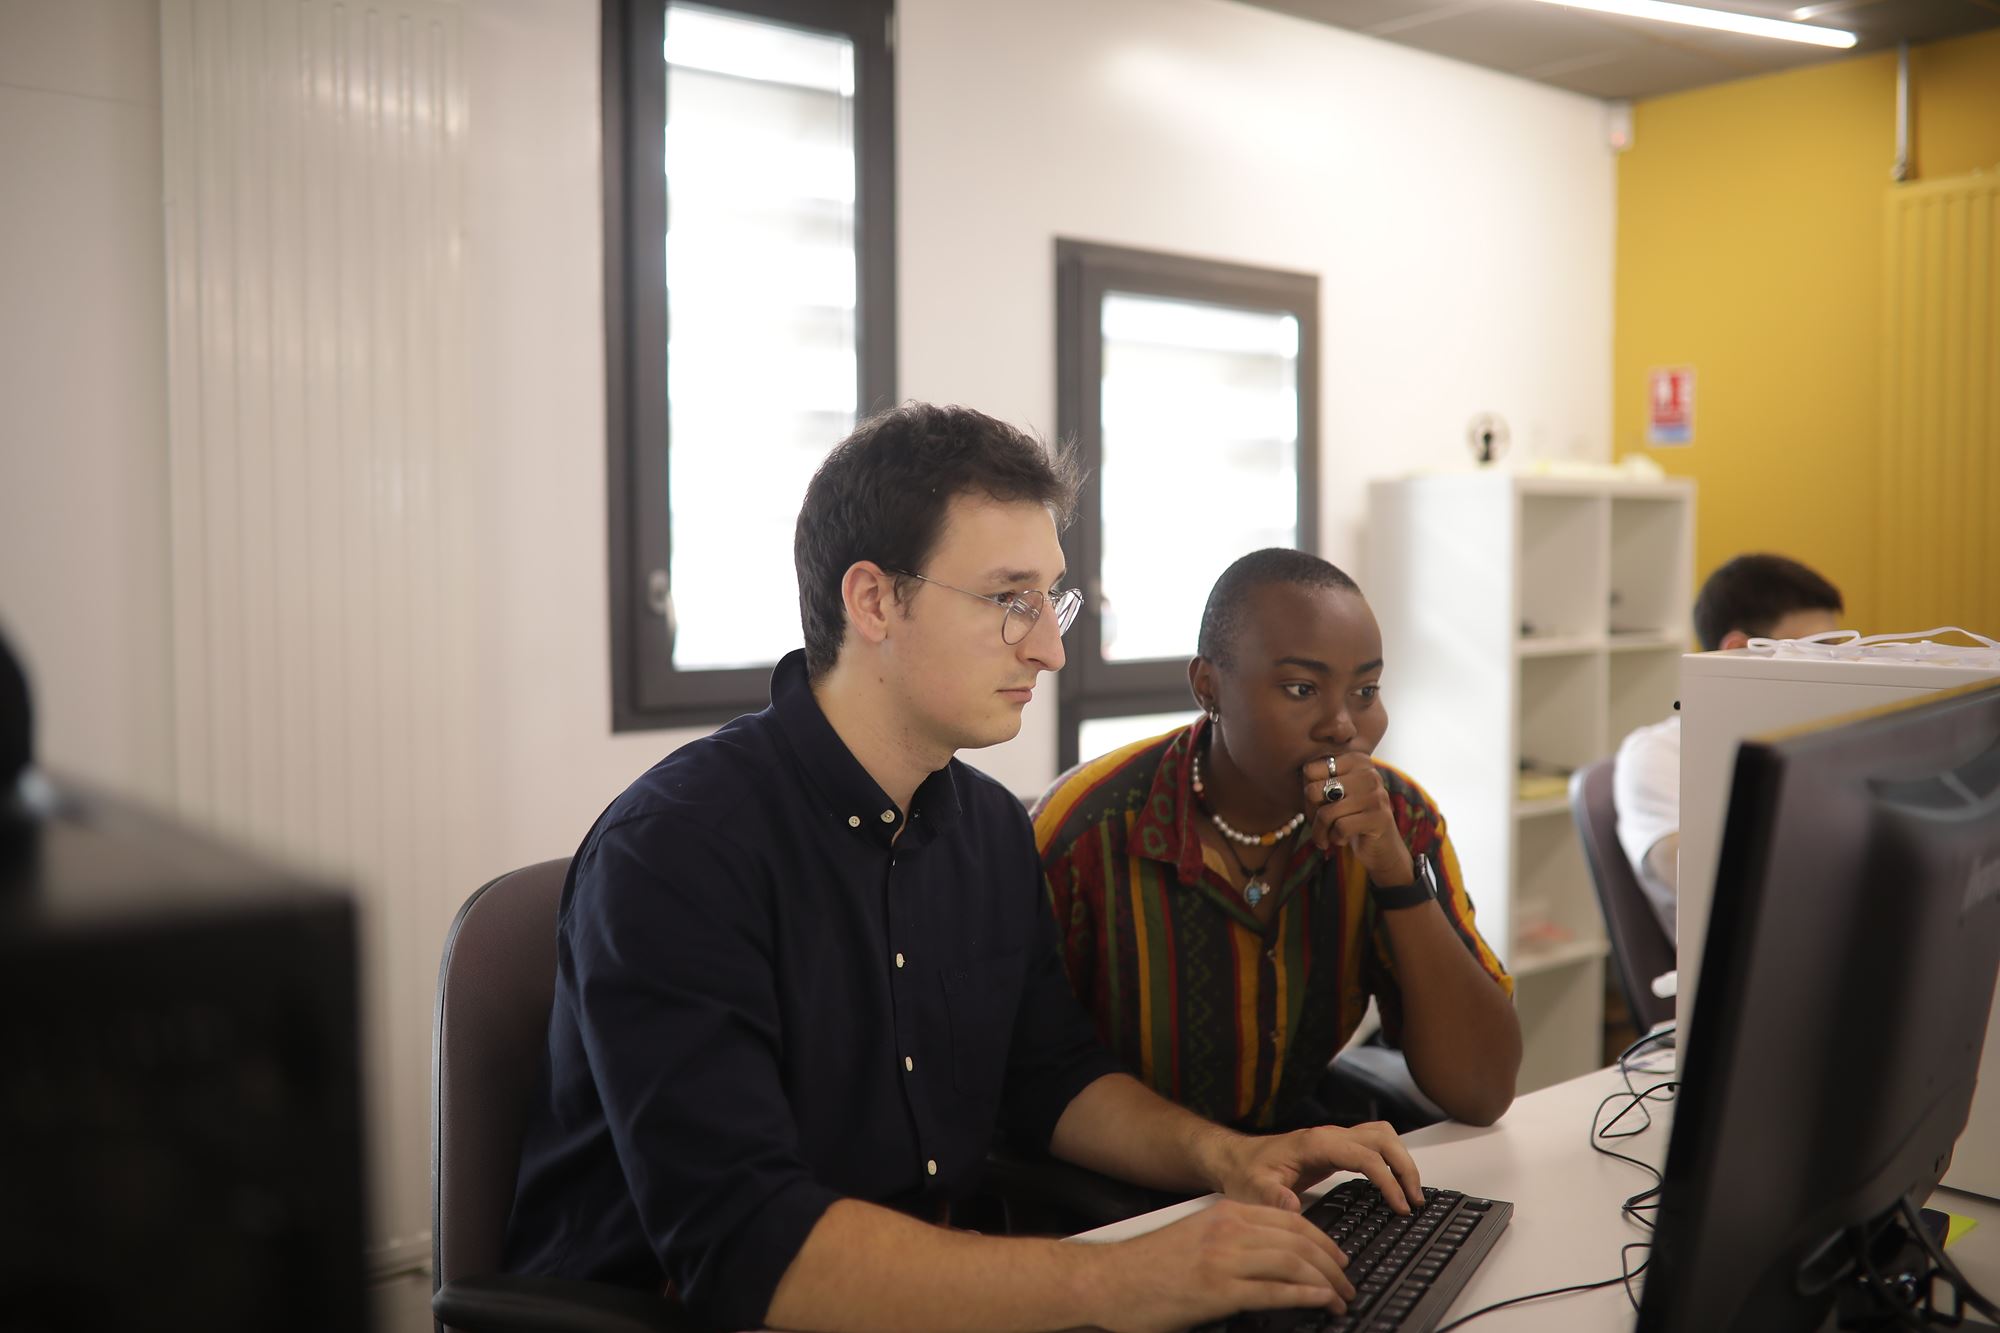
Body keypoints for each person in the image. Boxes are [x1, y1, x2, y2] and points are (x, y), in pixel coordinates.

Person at [502, 405, 1426, 1333]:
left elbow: (1051, 1076)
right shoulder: (677, 854)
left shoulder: (984, 827)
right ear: (873, 602)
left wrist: (1226, 1157)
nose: (1050, 647)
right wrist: (1115, 1279)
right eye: (1007, 600)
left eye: (1050, 599)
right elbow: (752, 1251)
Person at [1034, 549, 1521, 1133]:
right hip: (1118, 1197)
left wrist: (1396, 876)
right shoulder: (1088, 829)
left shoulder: (1398, 819)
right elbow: (1023, 1080)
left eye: (1366, 691)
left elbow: (1484, 1091)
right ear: (1208, 687)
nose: (1342, 725)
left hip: (1298, 1175)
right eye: (1300, 689)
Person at [1613, 552, 1843, 937]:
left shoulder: (1811, 742)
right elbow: (1710, 888)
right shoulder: (1660, 754)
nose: (1836, 670)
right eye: (1817, 651)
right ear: (1738, 652)